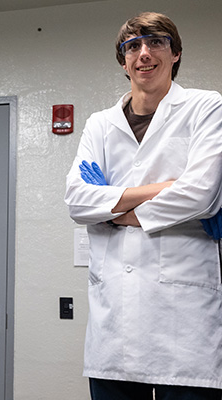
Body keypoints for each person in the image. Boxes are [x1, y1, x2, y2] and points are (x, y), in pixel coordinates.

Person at [65, 12, 222, 399]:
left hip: (184, 324)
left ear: (176, 54)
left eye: (156, 42)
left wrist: (115, 211)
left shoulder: (206, 107)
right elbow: (77, 201)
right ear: (123, 61)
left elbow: (200, 193)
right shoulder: (100, 124)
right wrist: (164, 188)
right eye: (132, 46)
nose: (144, 53)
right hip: (113, 322)